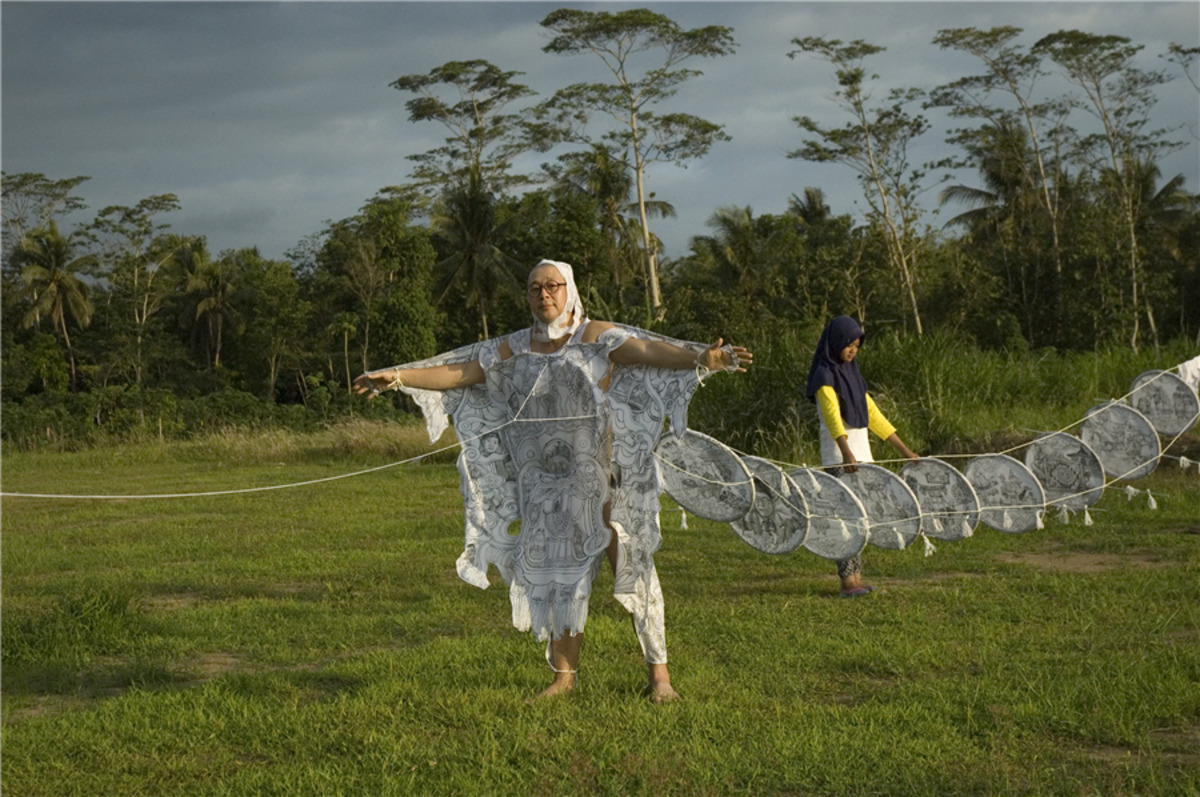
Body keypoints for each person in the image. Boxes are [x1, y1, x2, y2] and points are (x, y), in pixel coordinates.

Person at [355, 259, 752, 702]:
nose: (544, 295)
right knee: (560, 578)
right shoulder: (515, 348)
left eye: (552, 286)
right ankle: (564, 677)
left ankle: (659, 676)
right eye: (534, 288)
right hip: (551, 488)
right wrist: (398, 378)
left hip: (610, 480)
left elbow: (646, 350)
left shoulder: (595, 337)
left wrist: (702, 357)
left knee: (635, 570)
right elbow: (463, 372)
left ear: (570, 290)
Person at [804, 315, 918, 597]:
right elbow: (832, 417)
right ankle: (847, 582)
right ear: (836, 343)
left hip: (861, 458)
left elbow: (873, 416)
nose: (853, 350)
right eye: (848, 344)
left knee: (860, 519)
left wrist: (904, 450)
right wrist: (846, 452)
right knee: (845, 517)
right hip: (839, 458)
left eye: (857, 345)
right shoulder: (824, 375)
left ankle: (857, 577)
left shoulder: (853, 376)